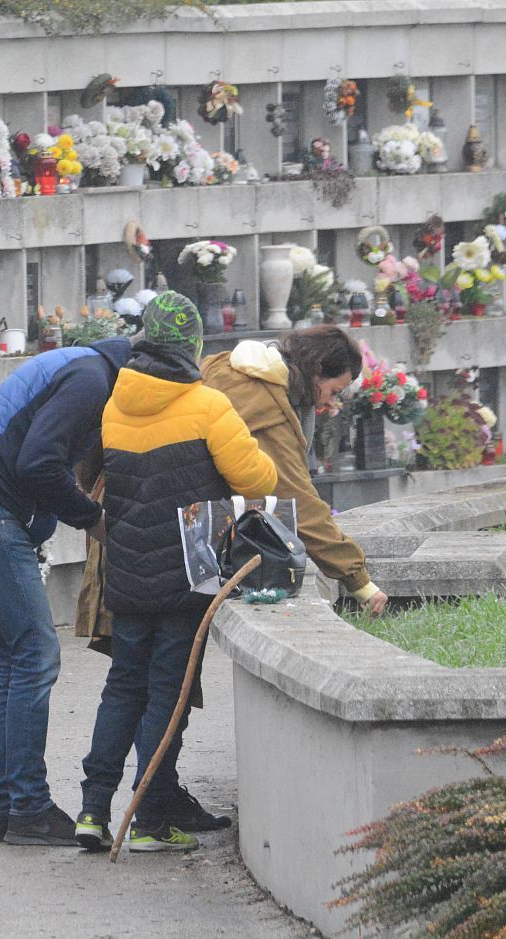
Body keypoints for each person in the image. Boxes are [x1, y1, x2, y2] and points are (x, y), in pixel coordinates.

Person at [77, 292, 276, 853]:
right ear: (190, 347)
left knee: (121, 687)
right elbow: (254, 478)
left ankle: (92, 812)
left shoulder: (115, 404)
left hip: (129, 573)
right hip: (188, 577)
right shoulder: (207, 405)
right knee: (169, 694)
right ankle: (150, 818)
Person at [0, 334, 132, 847]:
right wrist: (95, 520)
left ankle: (0, 810)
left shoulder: (80, 368)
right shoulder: (92, 380)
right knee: (38, 656)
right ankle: (28, 807)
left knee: (20, 660)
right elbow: (39, 462)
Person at [200, 325, 388, 615]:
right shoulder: (266, 405)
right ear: (317, 369)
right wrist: (359, 580)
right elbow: (296, 499)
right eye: (333, 390)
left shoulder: (228, 365)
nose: (330, 401)